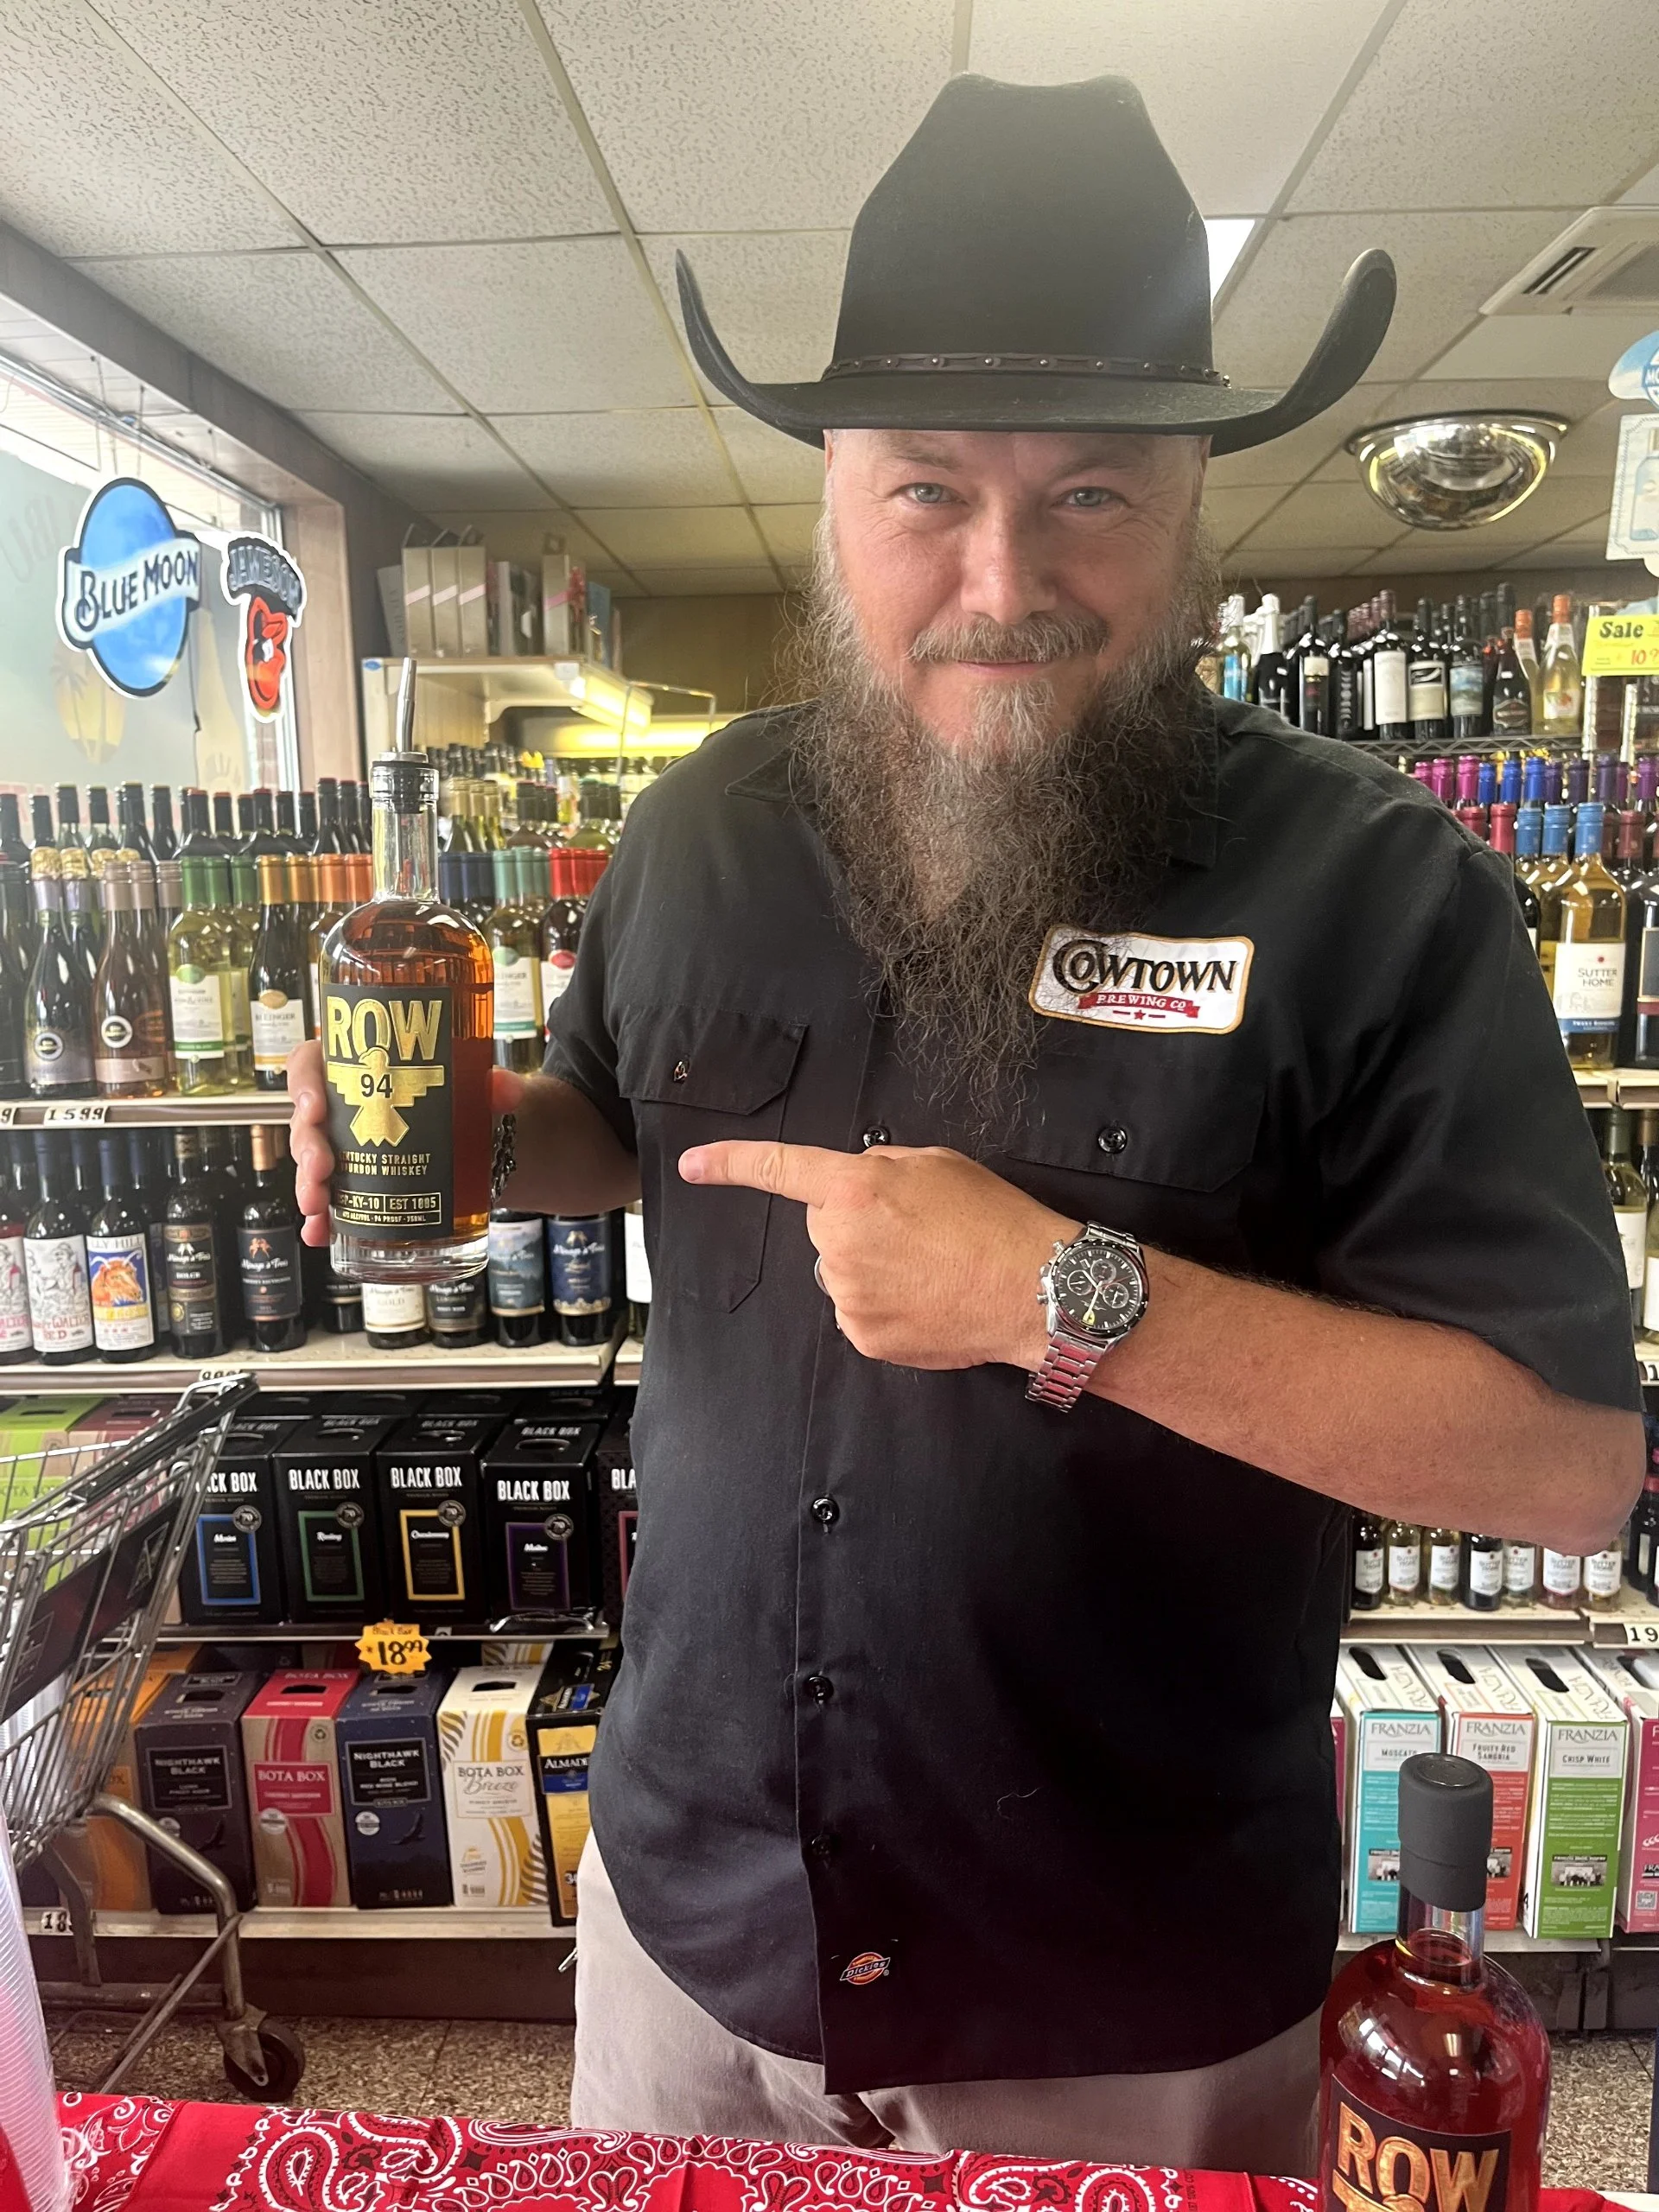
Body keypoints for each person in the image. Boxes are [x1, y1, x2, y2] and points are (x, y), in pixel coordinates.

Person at [289, 73, 1641, 2173]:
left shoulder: (1382, 894)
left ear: (1194, 506)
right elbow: (613, 1117)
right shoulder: (701, 827)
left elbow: (1560, 1464)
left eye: (1091, 492)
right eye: (929, 488)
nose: (1004, 575)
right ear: (834, 499)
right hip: (691, 1926)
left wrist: (1063, 1295)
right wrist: (467, 1138)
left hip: (1119, 1979)